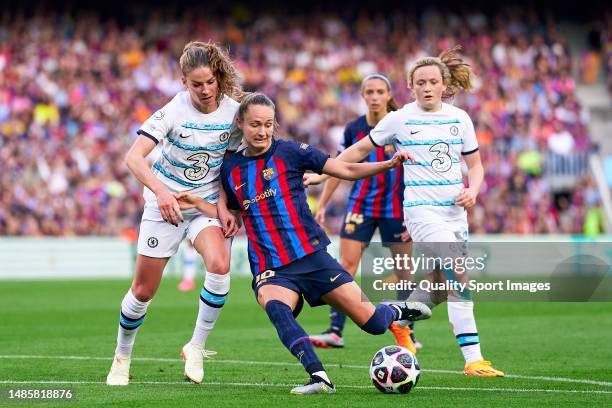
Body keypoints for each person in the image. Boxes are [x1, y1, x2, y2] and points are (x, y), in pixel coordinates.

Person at [176, 92, 432, 395]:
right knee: (276, 309)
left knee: (374, 324)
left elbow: (346, 169)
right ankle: (319, 377)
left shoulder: (292, 152)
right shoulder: (231, 168)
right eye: (255, 124)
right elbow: (233, 216)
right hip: (271, 266)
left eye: (268, 124)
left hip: (312, 256)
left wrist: (389, 164)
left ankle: (395, 311)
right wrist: (197, 203)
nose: (262, 131)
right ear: (240, 124)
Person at [305, 46, 504, 377]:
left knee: (441, 286)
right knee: (458, 270)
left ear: (443, 85)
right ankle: (473, 359)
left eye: (432, 82)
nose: (426, 88)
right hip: (420, 211)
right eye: (420, 82)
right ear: (411, 87)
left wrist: (474, 190)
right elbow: (357, 150)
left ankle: (393, 313)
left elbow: (476, 166)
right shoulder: (399, 119)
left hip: (455, 214)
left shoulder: (460, 119)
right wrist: (324, 173)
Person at [106, 41, 244, 386]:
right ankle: (122, 357)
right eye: (197, 84)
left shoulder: (233, 112)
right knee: (143, 291)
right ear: (184, 81)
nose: (205, 90)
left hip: (205, 205)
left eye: (210, 82)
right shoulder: (173, 111)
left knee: (220, 265)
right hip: (164, 203)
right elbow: (134, 157)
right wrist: (162, 192)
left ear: (218, 78)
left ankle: (196, 347)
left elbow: (231, 164)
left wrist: (225, 206)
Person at [308, 74, 420, 353]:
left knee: (404, 270)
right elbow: (338, 166)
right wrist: (322, 204)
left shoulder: (401, 123)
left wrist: (415, 210)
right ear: (362, 95)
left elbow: (416, 169)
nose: (374, 96)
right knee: (345, 266)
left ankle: (407, 331)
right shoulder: (353, 129)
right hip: (360, 206)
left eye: (379, 91)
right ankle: (335, 331)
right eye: (369, 91)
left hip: (396, 207)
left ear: (388, 94)